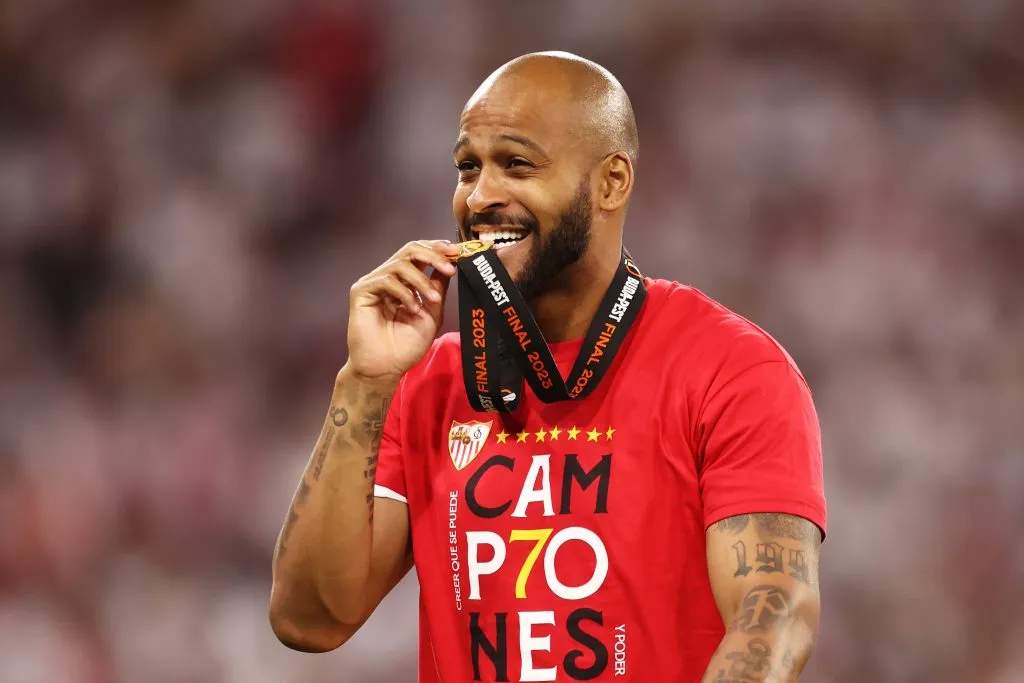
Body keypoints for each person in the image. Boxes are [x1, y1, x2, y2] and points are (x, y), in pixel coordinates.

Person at [269, 51, 826, 683]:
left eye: (517, 165)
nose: (480, 196)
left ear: (611, 182)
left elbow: (774, 614)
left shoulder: (731, 369)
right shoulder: (430, 382)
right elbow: (308, 621)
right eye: (467, 167)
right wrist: (365, 384)